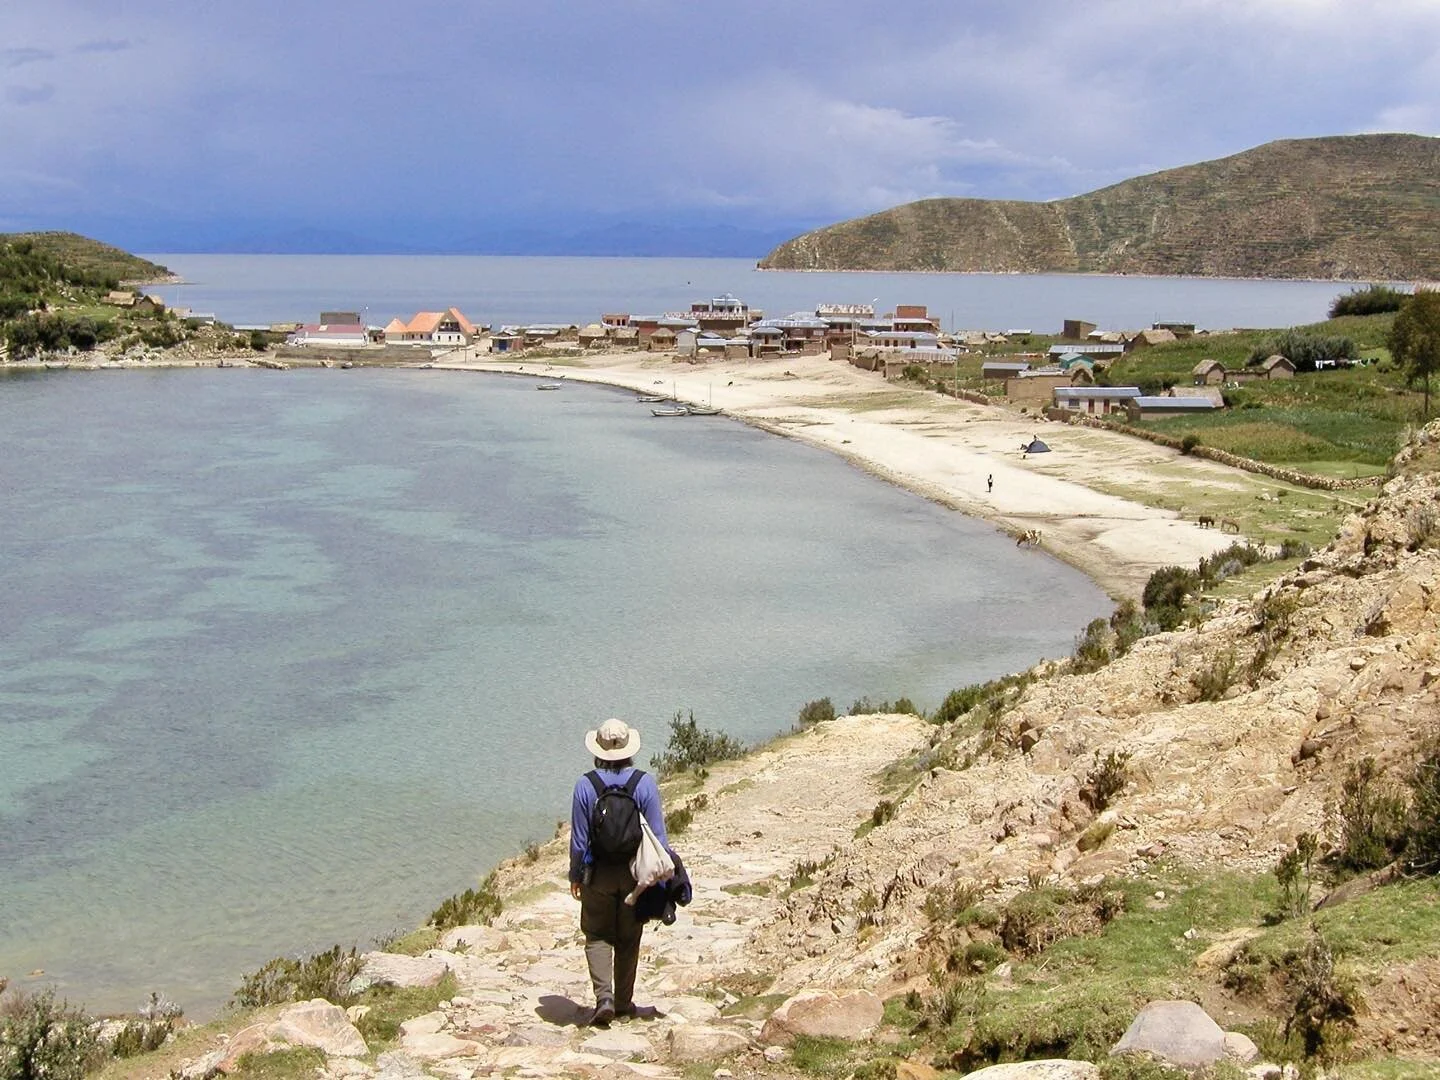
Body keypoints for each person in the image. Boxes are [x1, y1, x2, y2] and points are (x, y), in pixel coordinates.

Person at [569, 718, 670, 1026]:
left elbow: (579, 840)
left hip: (597, 874)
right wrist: (662, 877)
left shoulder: (585, 785)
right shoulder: (644, 783)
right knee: (629, 935)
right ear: (629, 750)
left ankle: (604, 999)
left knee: (597, 933)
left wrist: (576, 875)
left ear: (597, 750)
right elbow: (658, 836)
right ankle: (624, 1002)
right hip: (633, 875)